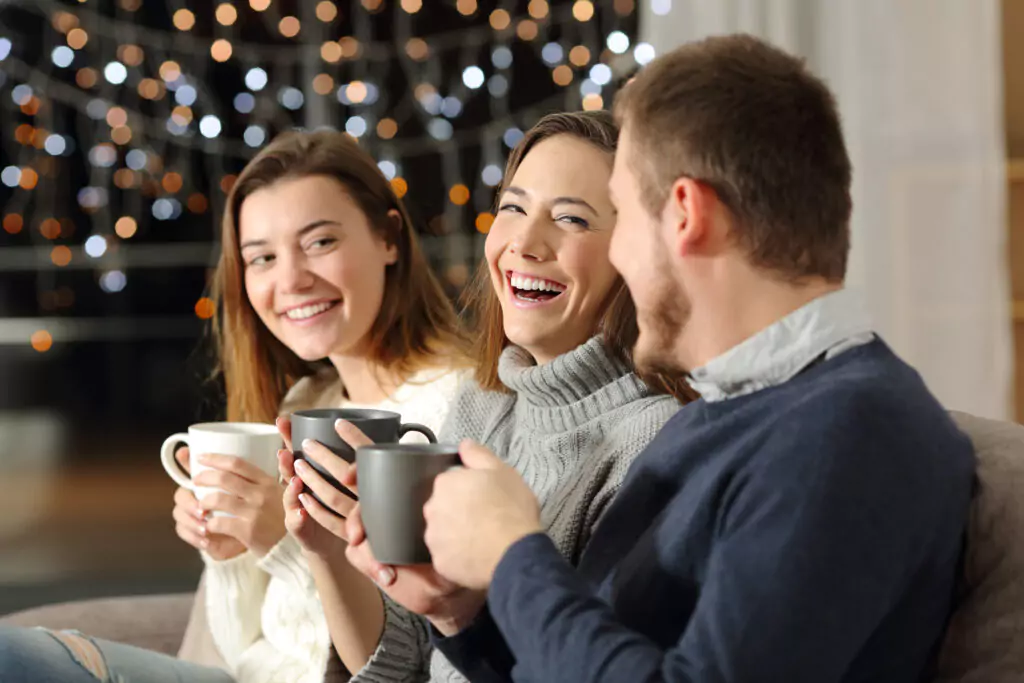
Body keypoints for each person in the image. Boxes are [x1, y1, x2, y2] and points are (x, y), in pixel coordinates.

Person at [414, 34, 977, 683]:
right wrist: (462, 613)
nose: (617, 258)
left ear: (686, 215)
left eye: (618, 216)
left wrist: (514, 554)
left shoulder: (851, 430)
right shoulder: (723, 418)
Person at [0, 130, 469, 683]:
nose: (290, 279)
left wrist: (281, 542)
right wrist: (230, 557)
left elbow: (400, 658)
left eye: (320, 242)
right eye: (262, 257)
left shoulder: (451, 409)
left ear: (389, 238)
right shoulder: (305, 401)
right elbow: (235, 650)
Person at [279, 111, 688, 682]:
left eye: (571, 218)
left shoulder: (654, 441)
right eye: (514, 207)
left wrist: (465, 608)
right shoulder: (482, 401)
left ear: (638, 256)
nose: (524, 242)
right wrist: (328, 550)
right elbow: (407, 667)